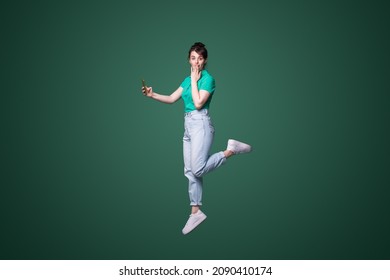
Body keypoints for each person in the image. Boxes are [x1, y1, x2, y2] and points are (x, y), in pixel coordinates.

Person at [142, 42, 252, 235]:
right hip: (188, 126)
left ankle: (231, 150)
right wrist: (153, 95)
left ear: (205, 60)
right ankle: (196, 211)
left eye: (200, 58)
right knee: (190, 171)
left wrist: (194, 79)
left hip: (201, 123)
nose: (196, 62)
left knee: (197, 168)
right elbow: (171, 98)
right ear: (188, 59)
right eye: (193, 58)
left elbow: (199, 103)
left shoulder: (208, 79)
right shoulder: (186, 80)